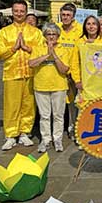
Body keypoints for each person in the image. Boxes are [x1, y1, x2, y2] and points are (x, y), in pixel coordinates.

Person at [0, 0, 44, 150]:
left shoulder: (35, 32)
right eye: (16, 11)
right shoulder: (4, 32)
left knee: (28, 105)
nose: (19, 14)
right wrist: (14, 48)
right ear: (12, 12)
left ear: (26, 12)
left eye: (22, 11)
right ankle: (11, 134)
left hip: (30, 73)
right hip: (12, 73)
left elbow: (42, 51)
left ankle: (25, 132)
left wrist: (27, 48)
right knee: (11, 105)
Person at [29, 23, 77, 152]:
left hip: (59, 86)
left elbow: (65, 69)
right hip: (41, 86)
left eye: (54, 34)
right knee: (44, 116)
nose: (51, 37)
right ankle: (45, 139)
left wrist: (54, 55)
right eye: (48, 34)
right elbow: (31, 64)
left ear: (58, 36)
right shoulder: (37, 48)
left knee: (58, 115)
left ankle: (57, 139)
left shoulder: (63, 49)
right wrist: (46, 55)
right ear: (44, 35)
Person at [56, 3, 84, 139]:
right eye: (63, 15)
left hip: (75, 72)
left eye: (68, 15)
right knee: (61, 104)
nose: (65, 17)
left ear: (73, 16)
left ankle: (75, 128)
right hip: (58, 71)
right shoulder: (56, 29)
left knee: (76, 103)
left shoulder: (80, 30)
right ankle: (60, 130)